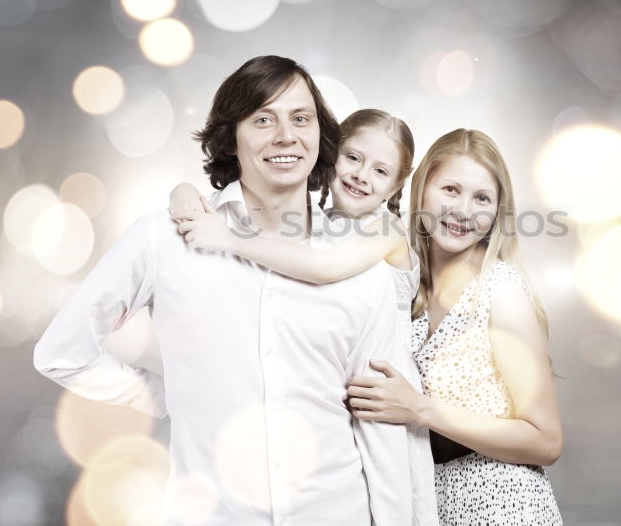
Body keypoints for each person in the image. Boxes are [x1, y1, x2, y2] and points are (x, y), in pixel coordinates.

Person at [33, 56, 423, 525]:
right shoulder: (164, 238)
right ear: (231, 137)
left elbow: (379, 426)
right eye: (263, 119)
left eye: (301, 118)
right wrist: (164, 396)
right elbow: (62, 352)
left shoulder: (362, 267)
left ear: (321, 135)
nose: (286, 135)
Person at [168, 108, 438, 525]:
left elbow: (322, 268)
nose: (361, 175)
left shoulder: (386, 230)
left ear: (397, 185)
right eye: (353, 158)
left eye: (381, 171)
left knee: (391, 501)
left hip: (381, 390)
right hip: (332, 384)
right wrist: (183, 191)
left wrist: (230, 239)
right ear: (332, 153)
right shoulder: (316, 221)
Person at [346, 129, 564, 525]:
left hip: (503, 508)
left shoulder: (500, 292)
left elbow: (546, 440)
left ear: (497, 210)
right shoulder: (402, 283)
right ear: (422, 188)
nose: (463, 210)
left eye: (481, 198)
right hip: (427, 504)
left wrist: (419, 408)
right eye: (450, 189)